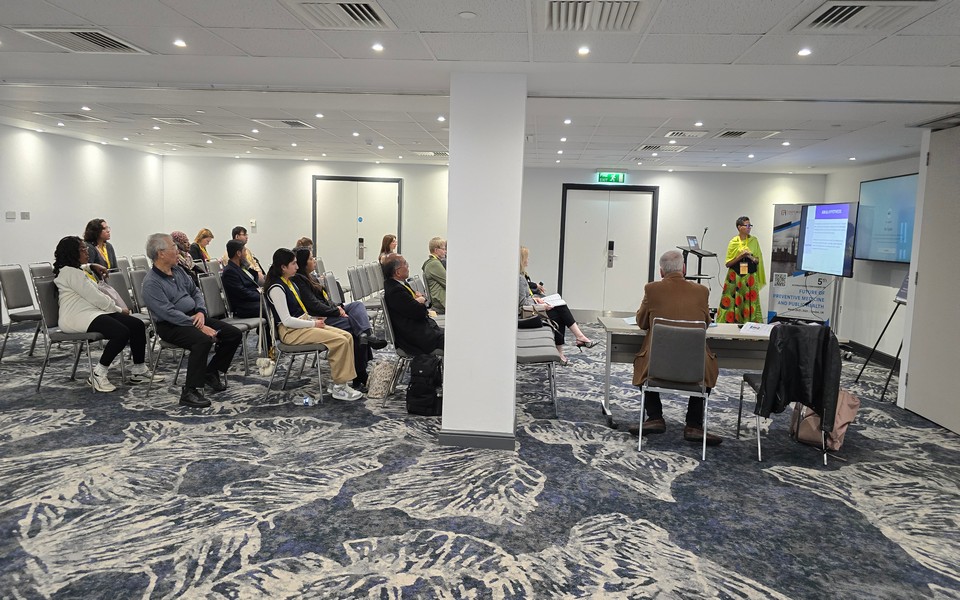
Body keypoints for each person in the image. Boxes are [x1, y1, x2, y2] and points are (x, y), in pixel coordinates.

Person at [141, 233, 242, 408]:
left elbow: (195, 292)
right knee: (202, 341)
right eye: (174, 247)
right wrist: (198, 326)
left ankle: (210, 372)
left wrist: (201, 312)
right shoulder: (151, 283)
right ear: (161, 253)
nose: (177, 250)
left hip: (194, 317)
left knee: (233, 334)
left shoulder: (178, 270)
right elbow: (168, 313)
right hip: (171, 325)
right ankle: (189, 391)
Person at [631, 250, 721, 446]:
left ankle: (655, 416)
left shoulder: (652, 289)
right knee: (707, 366)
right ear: (684, 269)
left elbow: (642, 322)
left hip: (656, 365)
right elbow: (705, 323)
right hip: (695, 368)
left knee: (640, 360)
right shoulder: (702, 291)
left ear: (661, 272)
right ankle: (694, 424)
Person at [53, 236, 160, 392]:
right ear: (72, 253)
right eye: (82, 249)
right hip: (75, 317)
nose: (87, 251)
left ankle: (139, 370)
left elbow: (88, 281)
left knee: (136, 325)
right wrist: (119, 309)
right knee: (121, 332)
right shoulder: (71, 273)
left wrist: (91, 265)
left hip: (90, 313)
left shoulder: (73, 270)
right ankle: (98, 373)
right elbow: (96, 298)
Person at [264, 248, 363, 401]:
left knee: (347, 336)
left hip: (302, 324)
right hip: (290, 331)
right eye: (293, 263)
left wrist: (312, 319)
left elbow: (299, 311)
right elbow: (287, 320)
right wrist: (313, 324)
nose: (297, 267)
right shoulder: (277, 288)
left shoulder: (289, 282)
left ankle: (340, 383)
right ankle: (340, 386)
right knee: (340, 341)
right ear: (283, 267)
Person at [291, 248, 386, 390]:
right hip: (319, 318)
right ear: (303, 263)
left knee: (357, 306)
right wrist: (337, 311)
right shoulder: (299, 280)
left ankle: (366, 334)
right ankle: (360, 373)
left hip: (330, 312)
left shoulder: (311, 278)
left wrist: (338, 307)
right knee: (354, 329)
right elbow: (314, 306)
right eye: (311, 258)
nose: (314, 261)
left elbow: (325, 300)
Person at [519, 246, 595, 365]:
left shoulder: (520, 276)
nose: (528, 260)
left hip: (530, 310)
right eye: (526, 258)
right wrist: (542, 307)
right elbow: (522, 305)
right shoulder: (519, 279)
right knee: (561, 311)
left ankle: (566, 347)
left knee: (560, 310)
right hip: (526, 316)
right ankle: (577, 339)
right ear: (522, 260)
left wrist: (535, 299)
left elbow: (524, 299)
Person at [382, 254, 443, 355]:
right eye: (405, 264)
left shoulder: (399, 284)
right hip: (416, 338)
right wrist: (420, 300)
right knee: (454, 341)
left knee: (452, 335)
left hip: (420, 330)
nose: (408, 266)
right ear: (397, 272)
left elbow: (415, 305)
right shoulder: (395, 291)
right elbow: (419, 312)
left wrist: (419, 300)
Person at [717, 216, 767, 324]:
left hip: (750, 277)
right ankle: (730, 325)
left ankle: (750, 325)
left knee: (750, 301)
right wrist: (741, 256)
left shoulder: (754, 241)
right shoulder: (733, 242)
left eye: (750, 225)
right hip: (735, 277)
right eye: (747, 225)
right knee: (732, 300)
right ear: (739, 227)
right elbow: (728, 264)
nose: (749, 228)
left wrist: (750, 257)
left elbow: (758, 260)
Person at [221, 239, 262, 318]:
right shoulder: (230, 271)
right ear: (238, 253)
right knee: (270, 306)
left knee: (273, 302)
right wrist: (261, 296)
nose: (246, 254)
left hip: (252, 301)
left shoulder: (242, 267)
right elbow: (243, 293)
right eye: (244, 251)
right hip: (243, 306)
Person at [421, 237, 447, 314]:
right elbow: (448, 283)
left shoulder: (432, 262)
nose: (445, 251)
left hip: (439, 300)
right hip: (441, 302)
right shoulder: (434, 264)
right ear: (436, 250)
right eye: (443, 249)